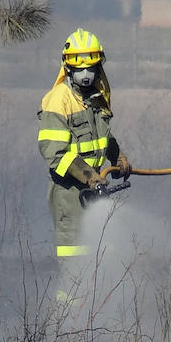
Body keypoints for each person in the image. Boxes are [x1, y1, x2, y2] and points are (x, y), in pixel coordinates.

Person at [37, 28, 130, 260]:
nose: (86, 74)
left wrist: (118, 156)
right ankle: (68, 297)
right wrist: (89, 175)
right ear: (68, 67)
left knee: (103, 256)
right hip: (69, 192)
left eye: (91, 67)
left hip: (95, 187)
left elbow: (102, 135)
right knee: (75, 262)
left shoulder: (96, 98)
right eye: (80, 69)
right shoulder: (60, 99)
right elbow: (55, 153)